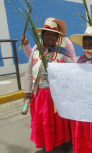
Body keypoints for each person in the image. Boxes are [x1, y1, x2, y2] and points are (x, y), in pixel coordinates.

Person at [24, 18, 73, 152]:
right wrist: (27, 92)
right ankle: (48, 142)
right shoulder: (36, 54)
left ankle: (63, 141)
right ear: (43, 36)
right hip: (40, 95)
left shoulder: (63, 55)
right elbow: (29, 73)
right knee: (44, 121)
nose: (50, 37)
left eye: (53, 34)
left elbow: (73, 73)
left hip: (58, 96)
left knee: (59, 121)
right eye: (47, 34)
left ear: (57, 37)